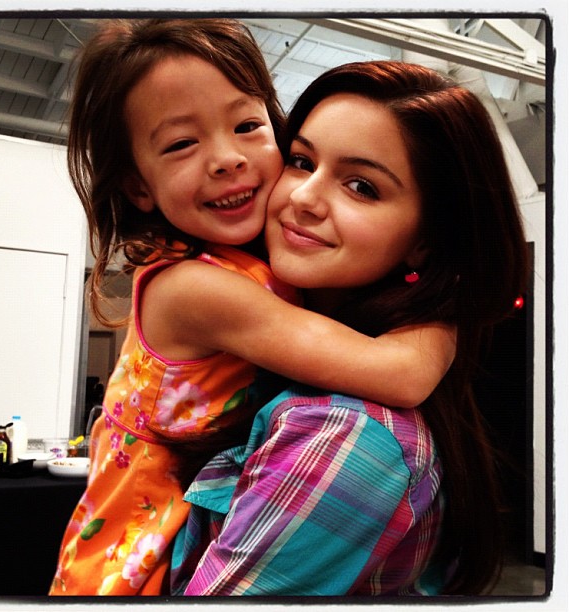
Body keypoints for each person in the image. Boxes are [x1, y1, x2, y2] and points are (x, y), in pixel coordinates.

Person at [49, 20, 455, 596]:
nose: (226, 159)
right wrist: (452, 303)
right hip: (134, 559)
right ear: (139, 187)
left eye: (246, 126)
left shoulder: (250, 264)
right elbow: (403, 373)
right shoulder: (195, 287)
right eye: (181, 144)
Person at [170, 61, 529, 596]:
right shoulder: (253, 338)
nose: (302, 198)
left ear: (425, 241)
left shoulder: (347, 433)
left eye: (361, 186)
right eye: (301, 161)